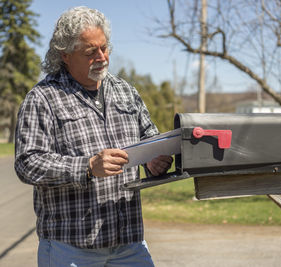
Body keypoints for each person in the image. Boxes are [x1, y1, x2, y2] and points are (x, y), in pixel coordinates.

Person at [14, 6, 173, 267]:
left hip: (129, 243)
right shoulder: (42, 98)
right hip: (71, 247)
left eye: (104, 47)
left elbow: (150, 138)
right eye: (90, 52)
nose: (102, 57)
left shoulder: (125, 91)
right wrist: (87, 167)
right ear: (65, 55)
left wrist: (154, 161)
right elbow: (27, 163)